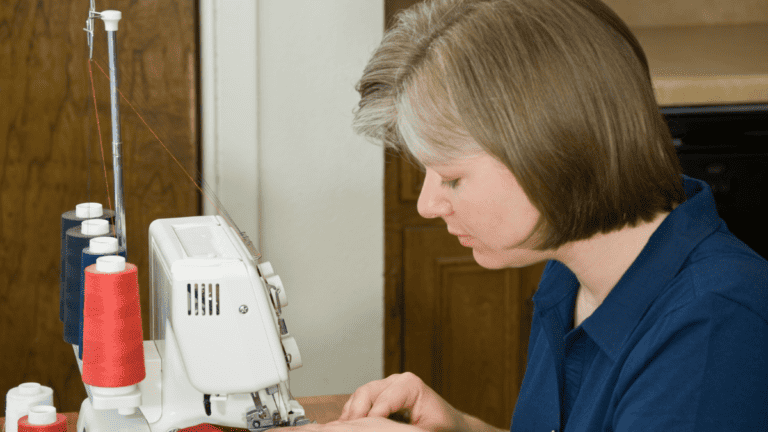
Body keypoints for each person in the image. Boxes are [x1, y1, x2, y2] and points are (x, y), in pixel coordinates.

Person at [285, 0, 768, 430]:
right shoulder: (569, 271)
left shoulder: (714, 329)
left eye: (451, 177)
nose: (428, 204)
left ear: (555, 154)